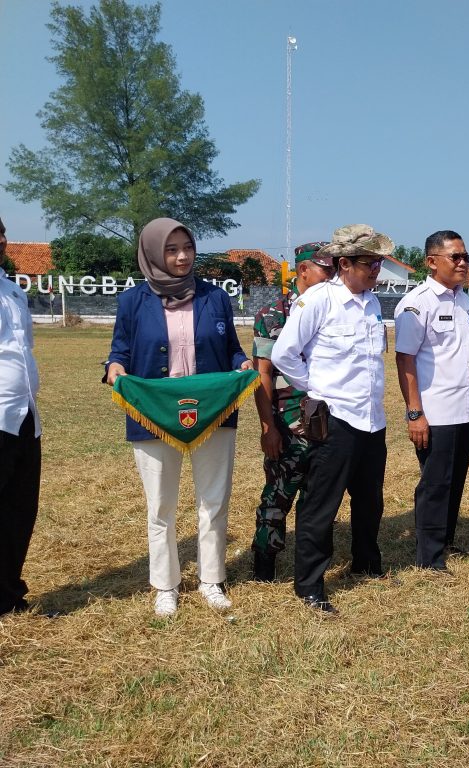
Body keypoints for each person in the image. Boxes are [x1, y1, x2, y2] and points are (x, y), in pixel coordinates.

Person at [105, 218, 252, 617]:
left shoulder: (215, 297)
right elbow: (119, 351)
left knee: (214, 500)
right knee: (160, 505)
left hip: (212, 411)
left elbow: (232, 348)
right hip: (155, 412)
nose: (183, 256)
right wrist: (115, 368)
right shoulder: (132, 302)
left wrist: (241, 364)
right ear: (153, 253)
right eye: (171, 250)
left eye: (187, 247)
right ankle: (165, 586)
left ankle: (211, 580)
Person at [271, 225, 392, 612]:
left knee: (370, 501)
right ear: (344, 264)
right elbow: (284, 354)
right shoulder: (318, 301)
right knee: (321, 505)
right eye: (369, 263)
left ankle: (366, 563)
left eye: (379, 263)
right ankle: (310, 585)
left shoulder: (372, 303)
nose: (376, 270)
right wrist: (316, 388)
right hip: (335, 419)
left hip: (371, 419)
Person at [395, 230, 469, 571]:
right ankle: (429, 556)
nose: (463, 263)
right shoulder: (417, 303)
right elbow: (405, 359)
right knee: (435, 483)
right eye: (455, 257)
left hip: (465, 408)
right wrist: (414, 412)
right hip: (436, 411)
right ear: (432, 262)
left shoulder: (465, 301)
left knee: (456, 478)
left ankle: (445, 539)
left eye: (466, 257)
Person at [249, 241, 335, 582]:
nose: (332, 277)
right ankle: (264, 564)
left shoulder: (334, 308)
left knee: (319, 497)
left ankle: (311, 563)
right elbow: (263, 375)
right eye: (326, 270)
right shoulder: (273, 315)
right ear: (303, 270)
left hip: (327, 419)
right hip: (288, 423)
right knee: (278, 494)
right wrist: (268, 427)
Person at [0, 215, 42, 617]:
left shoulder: (13, 291)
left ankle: (8, 595)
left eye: (1, 233)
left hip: (24, 413)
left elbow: (24, 349)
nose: (0, 240)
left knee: (18, 508)